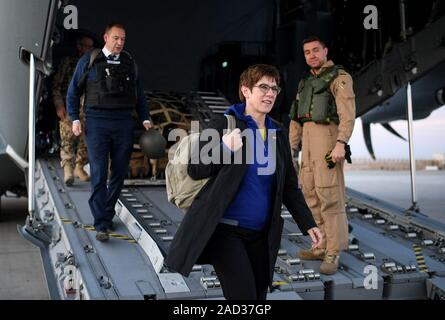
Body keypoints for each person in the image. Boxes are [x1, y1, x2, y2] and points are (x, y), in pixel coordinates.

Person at [165, 64, 322, 300]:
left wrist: (308, 223)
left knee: (258, 297)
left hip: (262, 235)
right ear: (246, 90)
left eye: (274, 88)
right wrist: (225, 148)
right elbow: (196, 168)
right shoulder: (223, 124)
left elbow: (289, 186)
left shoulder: (277, 133)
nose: (270, 93)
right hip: (226, 233)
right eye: (263, 87)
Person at [67, 23, 153, 242]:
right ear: (106, 37)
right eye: (116, 38)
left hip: (123, 123)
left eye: (123, 39)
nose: (120, 43)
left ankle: (107, 210)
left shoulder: (129, 63)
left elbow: (139, 93)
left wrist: (145, 118)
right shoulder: (89, 60)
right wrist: (75, 118)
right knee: (98, 172)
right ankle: (102, 223)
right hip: (96, 123)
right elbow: (73, 92)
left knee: (119, 172)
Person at [289, 36, 356, 275]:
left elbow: (347, 114)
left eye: (316, 50)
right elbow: (296, 119)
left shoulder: (339, 78)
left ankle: (333, 252)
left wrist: (341, 143)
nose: (312, 55)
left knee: (330, 198)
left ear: (325, 50)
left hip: (327, 140)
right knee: (310, 195)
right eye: (307, 52)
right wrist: (291, 149)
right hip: (307, 141)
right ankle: (320, 244)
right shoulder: (305, 83)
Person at [53, 35, 94, 186]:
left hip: (88, 108)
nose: (89, 50)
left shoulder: (93, 64)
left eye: (91, 47)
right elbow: (57, 86)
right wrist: (59, 105)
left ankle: (79, 166)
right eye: (86, 46)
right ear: (79, 46)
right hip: (69, 106)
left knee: (86, 139)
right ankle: (68, 169)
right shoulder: (68, 63)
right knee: (68, 138)